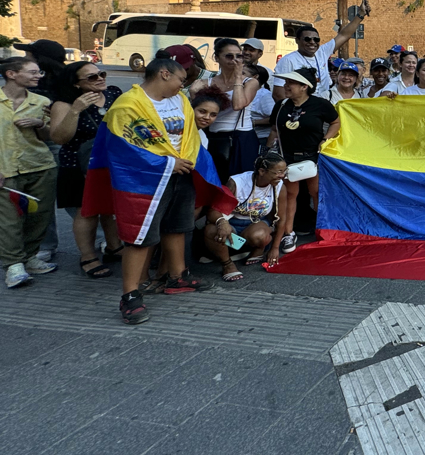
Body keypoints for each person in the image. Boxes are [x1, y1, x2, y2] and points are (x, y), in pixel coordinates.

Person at [85, 57, 229, 323]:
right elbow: (122, 148)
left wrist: (186, 163)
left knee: (178, 227)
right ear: (164, 74)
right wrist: (166, 163)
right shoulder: (127, 106)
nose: (181, 86)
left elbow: (190, 137)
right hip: (144, 180)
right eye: (179, 80)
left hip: (181, 173)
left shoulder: (182, 101)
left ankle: (177, 276)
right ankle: (130, 295)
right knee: (140, 237)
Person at [46, 62, 124, 280]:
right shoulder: (64, 104)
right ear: (76, 84)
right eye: (91, 77)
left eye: (101, 73)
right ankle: (87, 256)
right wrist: (76, 110)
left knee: (109, 207)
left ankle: (114, 247)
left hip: (109, 160)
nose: (99, 78)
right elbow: (60, 138)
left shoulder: (113, 94)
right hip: (78, 164)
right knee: (86, 212)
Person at [266, 68, 339, 264]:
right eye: (286, 82)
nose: (286, 86)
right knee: (290, 195)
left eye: (291, 83)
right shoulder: (281, 105)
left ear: (304, 87)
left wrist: (325, 140)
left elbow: (336, 122)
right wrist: (266, 152)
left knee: (316, 193)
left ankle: (324, 230)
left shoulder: (321, 104)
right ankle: (289, 233)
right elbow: (274, 129)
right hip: (287, 158)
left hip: (313, 157)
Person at [0, 57, 58, 288]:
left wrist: (39, 124)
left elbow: (49, 137)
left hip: (40, 165)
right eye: (33, 72)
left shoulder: (42, 101)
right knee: (9, 220)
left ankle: (30, 256)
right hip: (6, 169)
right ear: (12, 74)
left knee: (40, 215)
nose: (38, 76)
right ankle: (13, 265)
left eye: (39, 72)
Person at [203, 152, 287, 282]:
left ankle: (257, 248)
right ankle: (227, 263)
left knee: (260, 235)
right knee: (211, 230)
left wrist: (275, 249)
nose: (281, 176)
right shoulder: (237, 182)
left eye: (284, 172)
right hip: (232, 223)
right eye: (278, 172)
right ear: (262, 171)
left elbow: (281, 218)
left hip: (256, 224)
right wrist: (222, 223)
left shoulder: (280, 186)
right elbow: (214, 210)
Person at [189, 38, 261, 182]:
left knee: (239, 182)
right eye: (229, 56)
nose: (234, 60)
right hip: (213, 136)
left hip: (241, 137)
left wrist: (238, 77)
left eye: (238, 56)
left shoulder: (250, 82)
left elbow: (238, 105)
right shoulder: (205, 83)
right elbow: (197, 113)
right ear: (217, 58)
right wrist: (193, 94)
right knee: (212, 181)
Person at [273, 17, 362, 101]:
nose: (312, 42)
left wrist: (360, 15)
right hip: (303, 109)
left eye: (316, 39)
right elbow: (278, 93)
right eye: (307, 39)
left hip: (323, 105)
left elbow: (344, 35)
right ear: (297, 40)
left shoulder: (322, 52)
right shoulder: (288, 60)